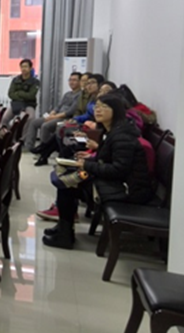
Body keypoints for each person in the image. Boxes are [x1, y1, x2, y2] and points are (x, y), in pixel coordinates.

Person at [42, 94, 154, 249]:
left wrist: (87, 165)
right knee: (67, 177)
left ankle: (65, 235)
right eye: (97, 106)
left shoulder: (122, 136)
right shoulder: (112, 131)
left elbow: (118, 170)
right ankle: (63, 227)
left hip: (128, 190)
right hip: (118, 183)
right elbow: (108, 160)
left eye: (104, 107)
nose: (98, 110)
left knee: (68, 185)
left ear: (116, 111)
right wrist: (89, 160)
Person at [25, 72, 82, 151]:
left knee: (45, 126)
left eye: (74, 80)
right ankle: (29, 147)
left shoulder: (80, 95)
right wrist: (52, 113)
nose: (71, 82)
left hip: (65, 118)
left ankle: (44, 149)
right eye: (70, 80)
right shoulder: (67, 94)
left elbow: (70, 112)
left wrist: (53, 117)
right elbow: (58, 106)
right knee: (34, 123)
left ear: (80, 82)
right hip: (56, 116)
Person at [0, 59, 40, 129]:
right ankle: (9, 133)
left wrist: (19, 93)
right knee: (4, 118)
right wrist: (23, 96)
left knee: (30, 119)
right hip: (16, 104)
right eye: (22, 67)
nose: (23, 69)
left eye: (26, 67)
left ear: (30, 68)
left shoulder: (35, 82)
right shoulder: (15, 80)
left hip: (28, 104)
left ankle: (24, 135)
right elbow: (10, 94)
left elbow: (31, 96)